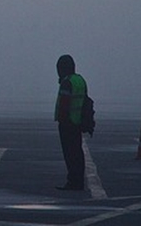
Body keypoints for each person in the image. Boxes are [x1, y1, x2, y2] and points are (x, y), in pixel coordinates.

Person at [54, 54, 87, 191]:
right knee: (78, 152)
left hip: (67, 122)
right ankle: (78, 180)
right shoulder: (80, 80)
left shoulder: (67, 82)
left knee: (70, 153)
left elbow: (64, 103)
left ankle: (73, 181)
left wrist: (61, 119)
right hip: (78, 121)